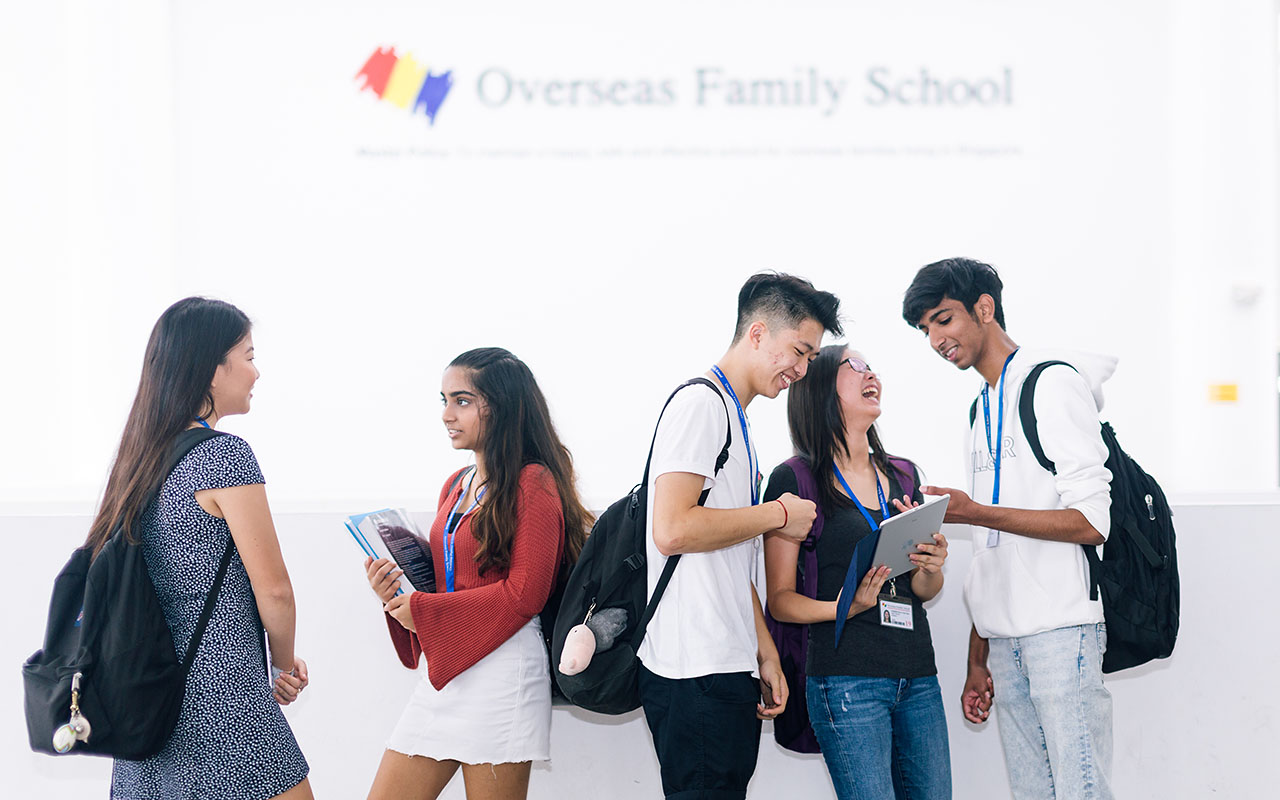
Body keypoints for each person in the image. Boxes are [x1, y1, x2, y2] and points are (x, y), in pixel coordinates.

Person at [903, 257, 1115, 799]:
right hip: (1006, 642)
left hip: (1061, 632)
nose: (935, 339)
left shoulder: (1051, 382)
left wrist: (974, 512)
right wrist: (979, 657)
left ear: (985, 308)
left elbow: (1092, 522)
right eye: (926, 329)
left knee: (1080, 791)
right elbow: (994, 550)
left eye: (943, 319)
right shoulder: (980, 407)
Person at [638, 272, 842, 799]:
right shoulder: (702, 405)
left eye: (810, 358)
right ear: (757, 334)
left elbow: (723, 554)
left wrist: (765, 650)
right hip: (695, 671)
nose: (800, 370)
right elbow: (673, 528)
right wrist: (776, 514)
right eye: (798, 351)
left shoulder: (735, 416)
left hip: (722, 665)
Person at [105, 297, 312, 799]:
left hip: (148, 696)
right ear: (212, 368)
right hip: (223, 693)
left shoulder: (138, 460)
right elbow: (276, 592)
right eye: (247, 355)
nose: (256, 371)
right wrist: (283, 666)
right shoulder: (224, 456)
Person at [364, 347, 591, 800]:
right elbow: (453, 575)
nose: (447, 414)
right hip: (444, 673)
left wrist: (422, 611)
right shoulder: (456, 483)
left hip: (502, 675)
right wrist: (395, 589)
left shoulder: (534, 483)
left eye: (462, 401)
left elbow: (526, 593)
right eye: (444, 400)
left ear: (501, 406)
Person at [763, 344, 951, 800]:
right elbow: (780, 600)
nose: (873, 375)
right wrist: (845, 607)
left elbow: (922, 591)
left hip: (918, 676)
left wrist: (932, 566)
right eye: (857, 367)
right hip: (847, 681)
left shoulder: (904, 475)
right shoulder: (796, 479)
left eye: (873, 367)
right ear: (821, 386)